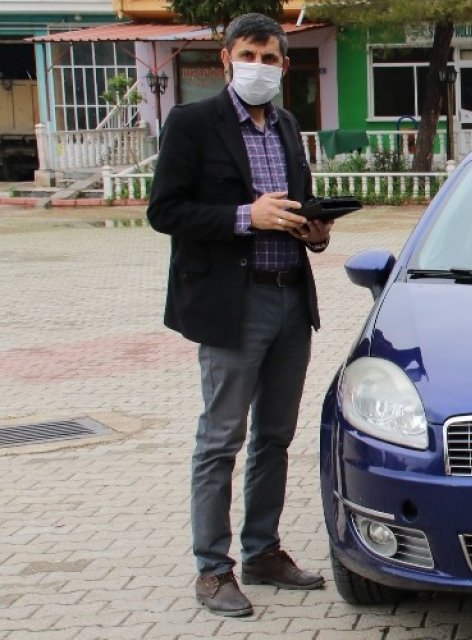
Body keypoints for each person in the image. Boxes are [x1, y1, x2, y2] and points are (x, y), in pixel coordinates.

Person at [147, 13, 332, 617]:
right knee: (221, 438)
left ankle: (263, 551)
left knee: (275, 437)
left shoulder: (285, 125)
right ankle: (213, 568)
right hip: (233, 303)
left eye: (272, 57)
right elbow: (166, 211)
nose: (261, 65)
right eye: (249, 53)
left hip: (289, 298)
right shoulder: (193, 123)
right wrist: (242, 217)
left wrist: (315, 230)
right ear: (226, 59)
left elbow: (296, 207)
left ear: (284, 64)